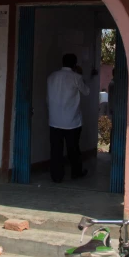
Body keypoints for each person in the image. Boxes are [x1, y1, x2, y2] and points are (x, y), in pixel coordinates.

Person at [46, 53, 90, 183]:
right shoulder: (76, 77)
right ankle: (76, 172)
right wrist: (81, 75)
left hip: (54, 120)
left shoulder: (51, 77)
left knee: (55, 150)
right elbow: (86, 91)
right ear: (75, 64)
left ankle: (56, 176)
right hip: (72, 121)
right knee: (73, 149)